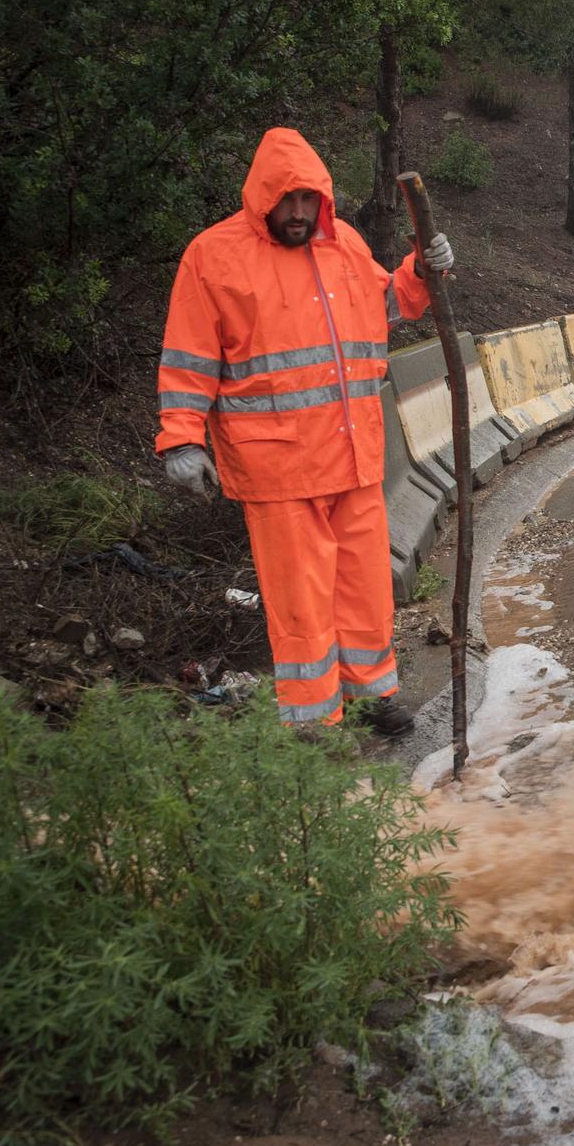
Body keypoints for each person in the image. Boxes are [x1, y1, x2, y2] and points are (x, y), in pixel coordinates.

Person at [154, 127, 455, 736]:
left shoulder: (342, 244)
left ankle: (372, 697)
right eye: (286, 201)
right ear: (262, 198)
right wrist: (182, 438)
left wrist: (421, 268)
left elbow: (390, 302)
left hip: (354, 455)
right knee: (301, 602)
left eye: (307, 200)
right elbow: (188, 358)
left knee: (365, 590)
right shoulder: (213, 257)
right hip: (278, 469)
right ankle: (313, 723)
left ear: (323, 197)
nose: (297, 213)